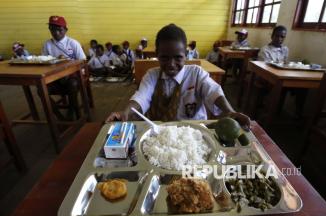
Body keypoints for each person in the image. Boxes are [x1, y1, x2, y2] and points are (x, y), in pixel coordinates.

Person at [106, 24, 250, 130]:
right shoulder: (152, 75)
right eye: (164, 58)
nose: (171, 64)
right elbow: (141, 97)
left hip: (193, 132)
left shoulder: (196, 73)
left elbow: (213, 91)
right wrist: (125, 112)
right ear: (157, 55)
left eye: (178, 57)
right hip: (160, 133)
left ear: (186, 55)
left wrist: (229, 111)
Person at [42, 15, 86, 120]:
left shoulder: (73, 43)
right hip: (55, 76)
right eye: (52, 29)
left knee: (73, 84)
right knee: (41, 90)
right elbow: (44, 62)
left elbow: (83, 61)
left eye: (59, 30)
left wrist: (71, 71)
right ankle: (58, 115)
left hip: (72, 76)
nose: (56, 33)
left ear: (65, 29)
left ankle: (71, 109)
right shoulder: (47, 44)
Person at [258, 25, 305, 118]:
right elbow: (266, 67)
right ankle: (270, 113)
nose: (279, 39)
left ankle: (298, 114)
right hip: (267, 76)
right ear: (272, 36)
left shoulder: (285, 49)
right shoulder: (265, 50)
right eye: (277, 36)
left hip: (281, 76)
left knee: (302, 88)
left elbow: (284, 63)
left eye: (282, 37)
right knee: (278, 86)